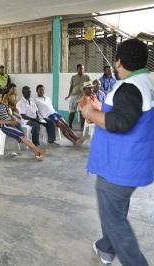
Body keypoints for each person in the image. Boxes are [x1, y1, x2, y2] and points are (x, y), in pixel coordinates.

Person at [82, 39, 154, 266]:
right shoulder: (145, 83)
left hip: (119, 168)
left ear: (118, 61)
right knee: (113, 210)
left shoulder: (129, 87)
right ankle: (106, 248)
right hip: (128, 164)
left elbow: (121, 121)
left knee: (113, 218)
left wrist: (90, 113)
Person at [0, 89, 47, 160]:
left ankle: (36, 152)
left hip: (12, 122)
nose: (0, 99)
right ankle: (38, 150)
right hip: (5, 125)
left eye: (1, 97)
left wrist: (14, 119)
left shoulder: (4, 105)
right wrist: (10, 122)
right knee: (22, 135)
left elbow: (10, 114)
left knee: (24, 136)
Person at [65, 64, 92, 130]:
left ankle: (82, 126)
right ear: (77, 70)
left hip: (82, 96)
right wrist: (69, 95)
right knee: (72, 111)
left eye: (82, 68)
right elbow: (71, 86)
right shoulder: (73, 77)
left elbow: (90, 86)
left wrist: (89, 95)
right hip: (74, 96)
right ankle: (70, 125)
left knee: (81, 111)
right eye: (80, 69)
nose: (81, 70)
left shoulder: (87, 77)